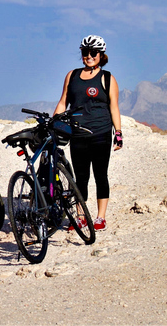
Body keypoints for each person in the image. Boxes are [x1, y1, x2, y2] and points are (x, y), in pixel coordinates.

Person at [54, 35, 122, 231]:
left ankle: (100, 218)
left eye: (93, 53)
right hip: (77, 134)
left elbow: (114, 108)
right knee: (80, 177)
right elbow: (62, 101)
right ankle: (81, 216)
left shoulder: (107, 78)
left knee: (101, 175)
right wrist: (54, 121)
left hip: (100, 133)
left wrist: (118, 133)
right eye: (85, 52)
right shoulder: (72, 76)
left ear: (101, 55)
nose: (89, 56)